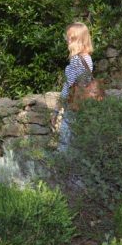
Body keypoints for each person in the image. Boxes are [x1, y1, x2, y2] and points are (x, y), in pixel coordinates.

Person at [52, 22, 94, 151]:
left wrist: (56, 110)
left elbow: (69, 87)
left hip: (73, 105)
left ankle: (62, 169)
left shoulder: (76, 59)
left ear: (79, 39)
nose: (68, 41)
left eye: (71, 38)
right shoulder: (87, 58)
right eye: (67, 37)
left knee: (65, 142)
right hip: (83, 105)